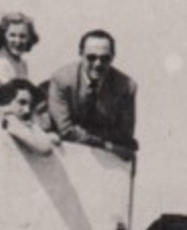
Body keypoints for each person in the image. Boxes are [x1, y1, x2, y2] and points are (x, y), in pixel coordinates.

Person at [46, 30, 137, 160]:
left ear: (113, 56)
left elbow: (124, 134)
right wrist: (106, 144)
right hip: (66, 150)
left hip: (104, 157)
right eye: (91, 57)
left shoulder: (126, 87)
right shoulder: (62, 79)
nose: (98, 64)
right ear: (80, 54)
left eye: (105, 58)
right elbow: (65, 130)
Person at [0, 79, 59, 156]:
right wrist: (32, 126)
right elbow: (44, 146)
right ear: (6, 101)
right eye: (22, 102)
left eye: (29, 105)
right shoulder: (10, 118)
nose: (27, 110)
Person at [0, 11, 39, 93]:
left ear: (29, 39)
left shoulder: (22, 64)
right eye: (12, 35)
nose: (18, 41)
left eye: (23, 36)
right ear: (3, 36)